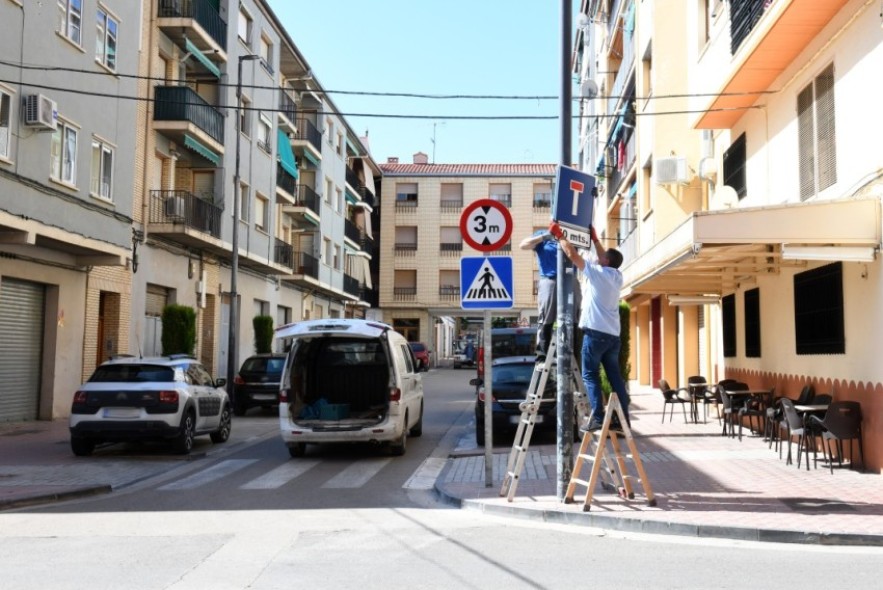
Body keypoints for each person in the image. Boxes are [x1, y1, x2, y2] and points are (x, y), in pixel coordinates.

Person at [548, 221, 628, 431]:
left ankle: (599, 419)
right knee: (614, 377)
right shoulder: (616, 276)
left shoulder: (597, 273)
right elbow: (604, 257)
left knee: (590, 374)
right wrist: (595, 239)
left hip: (596, 333)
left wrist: (560, 236)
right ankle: (623, 419)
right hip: (613, 337)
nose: (598, 257)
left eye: (602, 257)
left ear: (606, 261)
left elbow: (573, 256)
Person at [518, 229, 558, 359]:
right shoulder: (544, 235)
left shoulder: (572, 235)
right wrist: (544, 237)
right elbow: (523, 245)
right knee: (546, 318)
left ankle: (571, 351)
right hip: (549, 280)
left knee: (572, 319)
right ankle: (542, 353)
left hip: (569, 281)